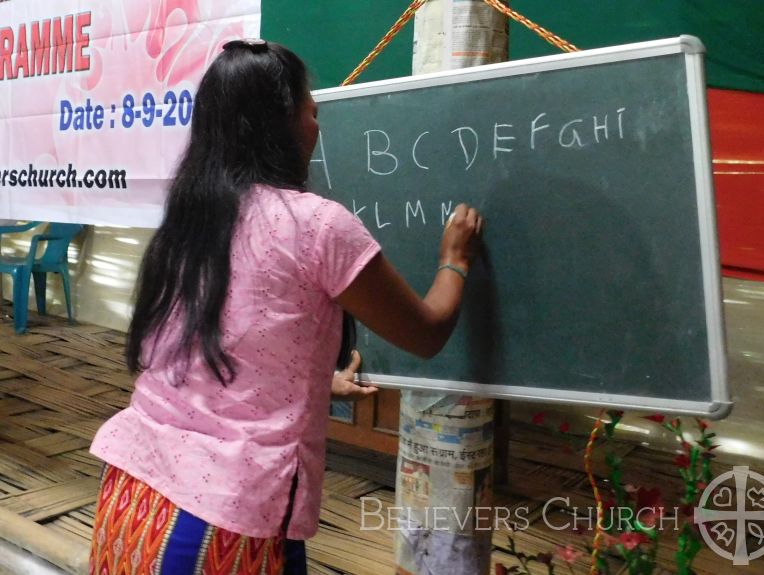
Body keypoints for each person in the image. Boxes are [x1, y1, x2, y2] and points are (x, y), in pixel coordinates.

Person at [89, 38, 482, 575]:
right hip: (222, 524)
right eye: (312, 112)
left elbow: (214, 353)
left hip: (131, 504)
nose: (317, 128)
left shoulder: (189, 219)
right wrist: (454, 259)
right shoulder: (317, 226)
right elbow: (427, 331)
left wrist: (317, 383)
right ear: (285, 124)